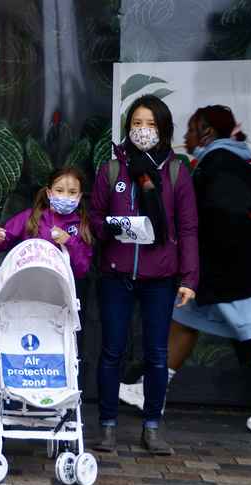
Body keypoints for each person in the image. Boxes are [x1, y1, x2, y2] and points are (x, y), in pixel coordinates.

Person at [119, 105, 251, 434]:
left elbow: (221, 222)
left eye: (190, 130)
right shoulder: (226, 162)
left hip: (241, 273)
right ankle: (151, 390)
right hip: (227, 271)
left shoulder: (220, 166)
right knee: (185, 319)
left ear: (205, 132)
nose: (186, 137)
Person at [90, 94, 198, 455]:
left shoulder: (176, 171)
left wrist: (189, 278)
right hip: (116, 274)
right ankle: (107, 428)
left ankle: (152, 428)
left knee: (156, 355)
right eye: (136, 123)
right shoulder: (112, 169)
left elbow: (187, 229)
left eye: (150, 124)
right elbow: (94, 218)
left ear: (164, 128)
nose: (143, 131)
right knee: (111, 352)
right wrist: (114, 226)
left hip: (160, 277)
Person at [0, 166, 93, 280]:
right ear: (49, 193)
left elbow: (82, 270)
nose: (65, 196)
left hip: (59, 290)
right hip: (26, 284)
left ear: (79, 196)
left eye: (72, 192)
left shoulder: (81, 225)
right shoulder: (30, 217)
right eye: (59, 191)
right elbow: (0, 243)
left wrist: (69, 242)